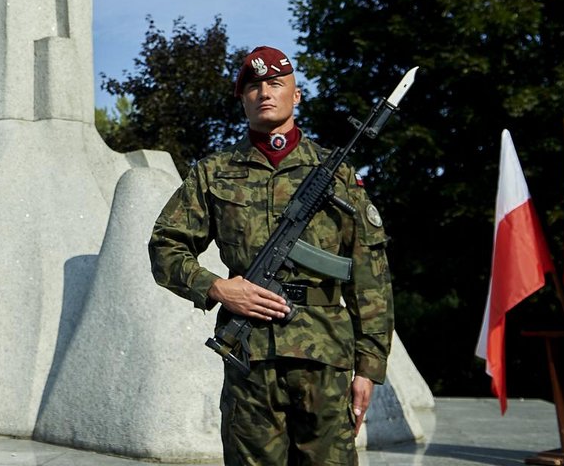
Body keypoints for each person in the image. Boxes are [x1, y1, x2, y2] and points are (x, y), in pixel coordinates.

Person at [148, 46, 394, 466]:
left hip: (325, 358)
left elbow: (371, 275)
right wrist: (218, 288)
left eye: (276, 84)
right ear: (243, 100)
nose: (265, 93)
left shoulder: (336, 174)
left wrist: (368, 368)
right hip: (250, 358)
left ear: (295, 95)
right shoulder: (214, 172)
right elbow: (165, 246)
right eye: (253, 87)